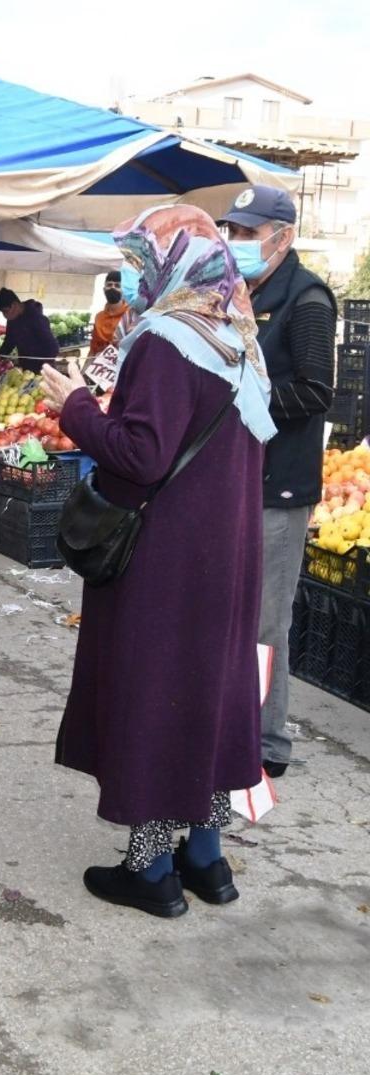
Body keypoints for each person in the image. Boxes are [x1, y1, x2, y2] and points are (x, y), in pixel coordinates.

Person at [41, 204, 273, 918]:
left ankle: (151, 869)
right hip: (226, 554)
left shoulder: (167, 338)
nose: (135, 275)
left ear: (173, 263)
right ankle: (207, 856)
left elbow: (142, 455)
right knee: (207, 695)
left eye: (144, 260)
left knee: (158, 696)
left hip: (166, 558)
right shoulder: (234, 334)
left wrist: (75, 407)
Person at [220, 184, 336, 779]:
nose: (235, 242)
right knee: (236, 613)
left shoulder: (307, 297)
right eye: (232, 231)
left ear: (281, 236)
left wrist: (248, 400)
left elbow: (318, 390)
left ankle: (268, 742)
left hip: (281, 484)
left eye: (245, 232)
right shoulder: (241, 291)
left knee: (267, 619)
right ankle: (236, 723)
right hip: (239, 477)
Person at [0, 287, 59, 372]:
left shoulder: (36, 318)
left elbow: (53, 348)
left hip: (44, 371)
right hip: (26, 369)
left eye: (5, 311)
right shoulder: (12, 320)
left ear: (14, 305)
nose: (4, 315)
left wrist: (44, 366)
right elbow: (9, 342)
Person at [87, 270, 128, 356]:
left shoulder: (129, 315)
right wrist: (85, 369)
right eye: (109, 285)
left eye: (117, 285)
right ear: (104, 289)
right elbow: (93, 349)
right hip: (102, 364)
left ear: (123, 290)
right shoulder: (99, 317)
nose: (113, 288)